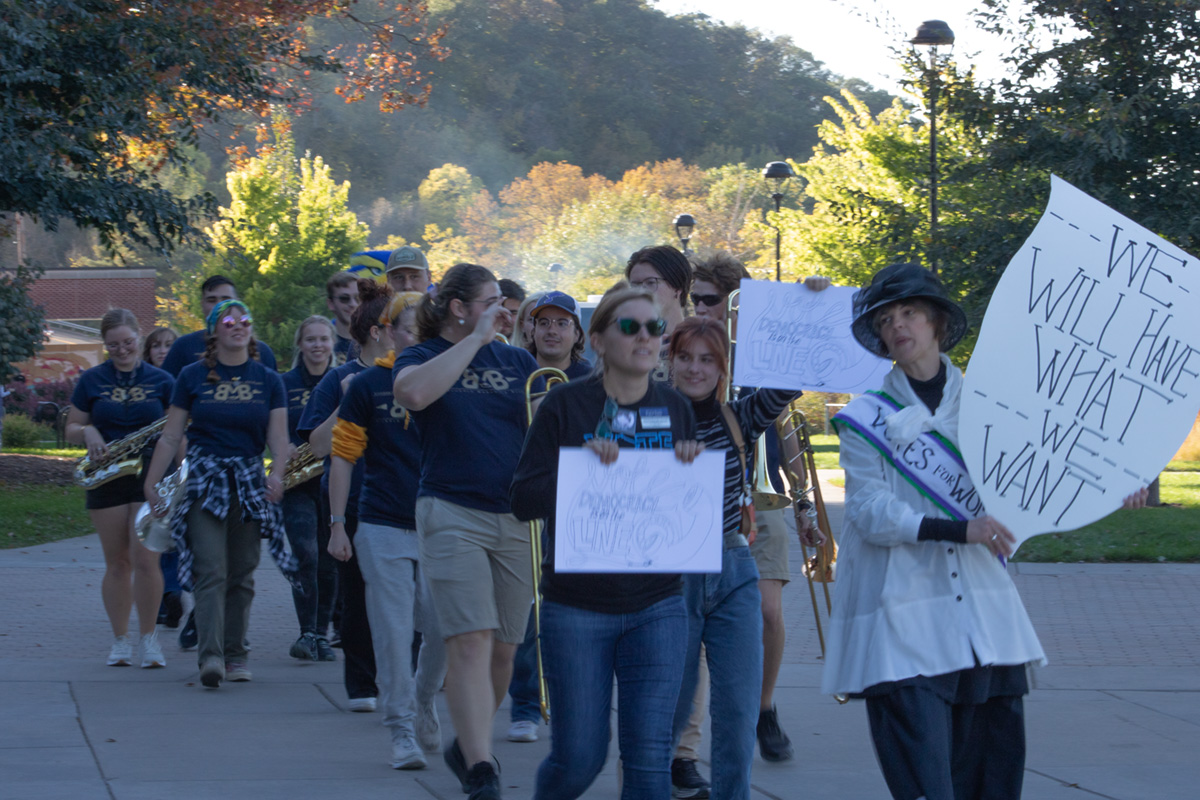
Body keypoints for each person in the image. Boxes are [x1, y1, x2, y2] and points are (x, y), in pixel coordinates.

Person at [826, 262, 1146, 800]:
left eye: (909, 313)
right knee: (927, 785)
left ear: (936, 323)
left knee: (991, 785)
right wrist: (958, 528)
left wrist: (1118, 486)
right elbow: (869, 511)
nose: (897, 326)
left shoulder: (993, 406)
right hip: (903, 622)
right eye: (885, 320)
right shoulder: (865, 418)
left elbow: (1050, 469)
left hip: (985, 624)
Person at [511, 280, 703, 800]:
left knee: (647, 759)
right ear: (597, 340)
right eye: (630, 327)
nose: (646, 337)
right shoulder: (564, 406)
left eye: (654, 327)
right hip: (578, 607)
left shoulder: (675, 407)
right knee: (580, 758)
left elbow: (684, 512)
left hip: (658, 603)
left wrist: (688, 477)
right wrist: (578, 473)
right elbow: (522, 499)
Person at [392, 263, 542, 800]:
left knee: (505, 647)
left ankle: (468, 743)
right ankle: (482, 766)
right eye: (491, 300)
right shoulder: (422, 355)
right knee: (471, 639)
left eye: (505, 301)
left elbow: (546, 431)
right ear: (459, 307)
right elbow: (412, 396)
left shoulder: (519, 361)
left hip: (515, 517)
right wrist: (476, 340)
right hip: (450, 510)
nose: (504, 310)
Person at [666, 316, 820, 799]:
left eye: (707, 359)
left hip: (733, 564)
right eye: (685, 357)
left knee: (737, 707)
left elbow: (796, 374)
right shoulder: (645, 413)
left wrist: (805, 305)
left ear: (723, 368)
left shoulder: (740, 415)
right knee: (669, 705)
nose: (695, 368)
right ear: (669, 361)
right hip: (671, 574)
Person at [142, 299, 297, 689]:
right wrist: (152, 483)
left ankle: (235, 654)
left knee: (242, 574)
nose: (238, 325)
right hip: (203, 481)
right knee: (211, 569)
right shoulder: (192, 376)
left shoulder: (267, 379)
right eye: (228, 320)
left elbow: (279, 440)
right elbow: (172, 435)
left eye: (244, 319)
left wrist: (277, 475)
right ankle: (209, 656)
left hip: (248, 482)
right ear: (214, 331)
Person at [328, 290, 447, 769]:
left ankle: (423, 696)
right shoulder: (364, 386)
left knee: (440, 631)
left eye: (425, 328)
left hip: (442, 524)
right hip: (381, 523)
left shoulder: (449, 378)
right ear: (389, 331)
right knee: (395, 634)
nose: (416, 335)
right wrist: (338, 524)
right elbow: (342, 458)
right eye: (408, 327)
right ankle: (400, 730)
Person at [66, 309, 174, 668]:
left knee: (147, 561)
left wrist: (183, 476)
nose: (122, 350)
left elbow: (178, 432)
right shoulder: (91, 380)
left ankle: (149, 640)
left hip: (151, 479)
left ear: (139, 338)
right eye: (114, 345)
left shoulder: (162, 380)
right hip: (107, 477)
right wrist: (88, 431)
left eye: (128, 343)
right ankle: (120, 640)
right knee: (117, 563)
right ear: (105, 345)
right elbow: (72, 428)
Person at [298, 279, 387, 712]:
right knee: (357, 600)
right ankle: (362, 685)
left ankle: (401, 677)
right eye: (401, 327)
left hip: (401, 502)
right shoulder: (339, 379)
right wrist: (345, 405)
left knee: (404, 599)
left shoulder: (411, 377)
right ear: (377, 332)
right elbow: (315, 446)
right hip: (349, 503)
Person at [281, 316, 338, 662]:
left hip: (334, 479)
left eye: (324, 339)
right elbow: (267, 426)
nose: (317, 346)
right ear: (300, 345)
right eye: (311, 340)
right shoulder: (283, 383)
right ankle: (306, 631)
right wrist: (282, 447)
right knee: (306, 555)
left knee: (329, 559)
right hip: (296, 483)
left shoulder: (344, 381)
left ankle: (321, 634)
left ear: (333, 343)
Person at [140, 325, 184, 629]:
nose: (162, 350)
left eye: (169, 345)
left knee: (167, 529)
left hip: (170, 465)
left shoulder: (178, 383)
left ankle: (171, 593)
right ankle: (160, 595)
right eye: (156, 345)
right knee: (148, 535)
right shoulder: (142, 380)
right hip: (140, 465)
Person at [160, 275, 277, 376]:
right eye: (212, 300)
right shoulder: (183, 347)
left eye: (226, 299)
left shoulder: (262, 352)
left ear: (237, 303)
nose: (220, 305)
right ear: (202, 304)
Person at [527, 291, 593, 380]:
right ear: (534, 331)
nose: (552, 331)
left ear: (577, 334)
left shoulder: (590, 380)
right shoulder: (516, 373)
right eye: (544, 323)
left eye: (562, 324)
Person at [326, 271, 361, 364]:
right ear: (331, 304)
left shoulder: (376, 339)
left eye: (358, 298)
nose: (353, 304)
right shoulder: (322, 342)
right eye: (344, 298)